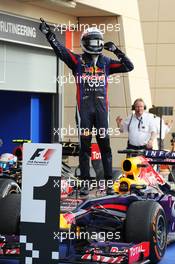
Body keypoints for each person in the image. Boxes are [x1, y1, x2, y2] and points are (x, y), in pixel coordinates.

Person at [39, 20, 134, 195]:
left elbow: (129, 66)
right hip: (84, 111)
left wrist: (117, 51)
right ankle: (84, 184)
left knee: (105, 147)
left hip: (102, 111)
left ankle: (107, 184)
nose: (95, 44)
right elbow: (62, 51)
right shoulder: (77, 60)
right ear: (85, 42)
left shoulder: (106, 62)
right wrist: (50, 35)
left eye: (98, 41)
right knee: (85, 149)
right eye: (91, 41)